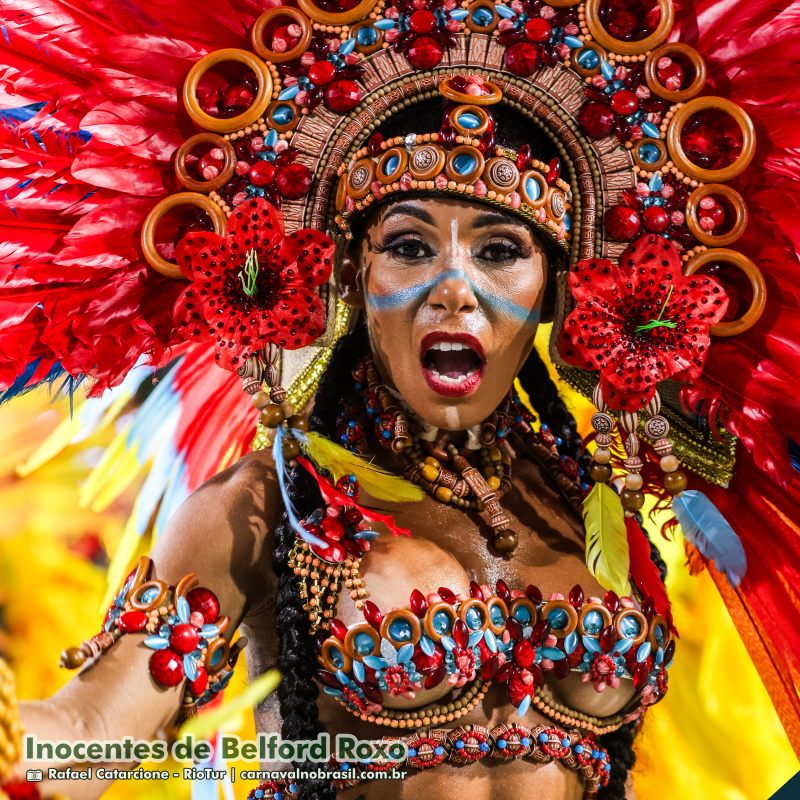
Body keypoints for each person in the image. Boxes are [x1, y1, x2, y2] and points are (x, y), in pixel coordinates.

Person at [0, 1, 798, 799]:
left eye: (500, 252)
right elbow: (91, 733)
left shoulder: (594, 503)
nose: (456, 289)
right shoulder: (267, 509)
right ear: (350, 274)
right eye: (411, 247)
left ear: (560, 291)